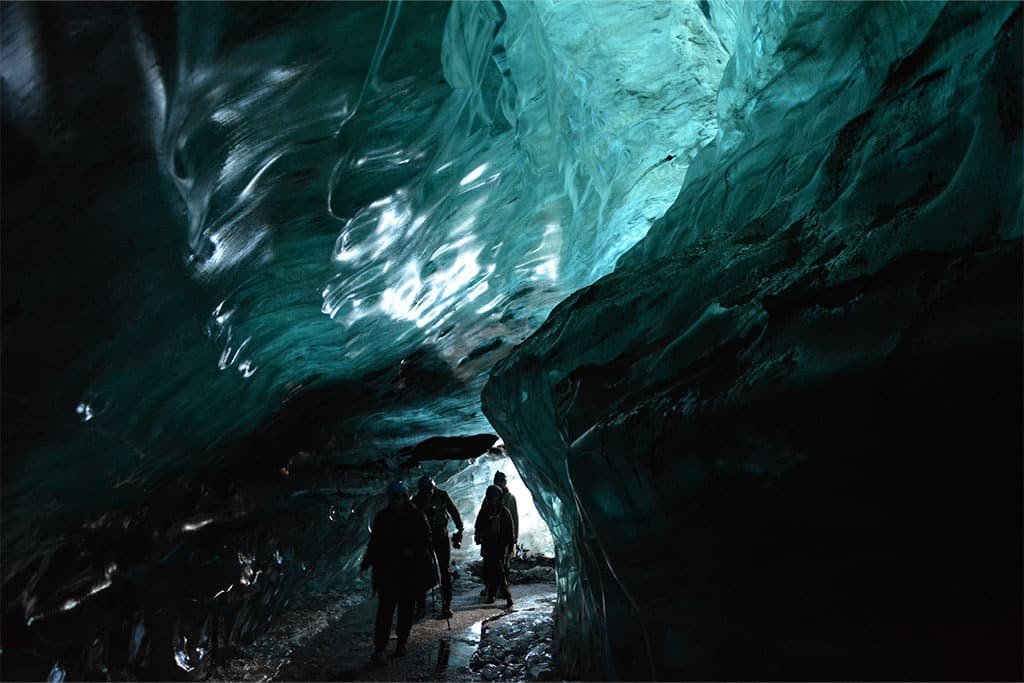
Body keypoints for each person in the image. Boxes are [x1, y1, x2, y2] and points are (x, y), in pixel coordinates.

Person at [360, 481, 436, 664]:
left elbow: (426, 540)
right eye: (394, 498)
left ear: (405, 496)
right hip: (388, 573)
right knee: (385, 611)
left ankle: (401, 643)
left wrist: (413, 551)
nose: (397, 501)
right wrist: (366, 562)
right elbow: (375, 544)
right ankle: (380, 648)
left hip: (408, 573)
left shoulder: (416, 516)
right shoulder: (384, 517)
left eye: (400, 497)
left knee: (405, 610)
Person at [412, 475, 464, 619]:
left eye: (430, 490)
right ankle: (420, 605)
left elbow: (453, 511)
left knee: (444, 570)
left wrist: (460, 528)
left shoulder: (442, 496)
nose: (428, 493)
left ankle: (447, 604)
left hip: (440, 534)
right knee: (421, 571)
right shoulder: (416, 500)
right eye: (426, 491)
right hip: (424, 538)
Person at [474, 484, 515, 608]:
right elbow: (478, 526)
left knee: (499, 570)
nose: (494, 499)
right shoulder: (485, 511)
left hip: (500, 545)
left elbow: (510, 529)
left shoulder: (504, 512)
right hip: (488, 544)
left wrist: (511, 545)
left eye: (496, 497)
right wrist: (478, 536)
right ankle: (493, 594)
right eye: (492, 497)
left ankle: (506, 596)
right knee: (488, 570)